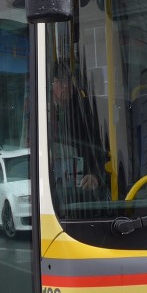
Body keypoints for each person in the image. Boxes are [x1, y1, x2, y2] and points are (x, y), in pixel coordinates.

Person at [49, 64, 107, 198]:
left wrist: (96, 175)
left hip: (83, 182)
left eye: (69, 81)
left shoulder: (85, 110)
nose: (66, 86)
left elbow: (99, 145)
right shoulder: (39, 106)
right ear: (51, 83)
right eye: (61, 81)